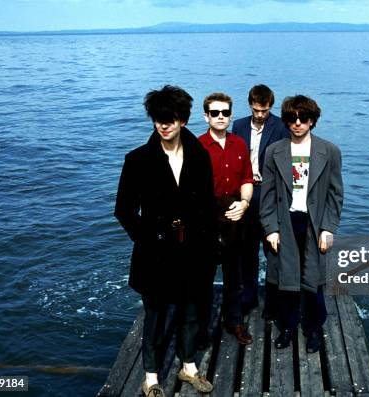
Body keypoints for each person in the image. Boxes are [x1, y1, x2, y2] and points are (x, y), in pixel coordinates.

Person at [114, 85, 215, 396]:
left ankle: (188, 367)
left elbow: (207, 204)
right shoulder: (137, 160)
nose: (164, 124)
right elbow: (124, 210)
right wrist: (149, 239)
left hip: (194, 248)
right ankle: (151, 375)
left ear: (182, 120)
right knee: (155, 316)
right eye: (159, 119)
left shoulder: (199, 153)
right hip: (155, 252)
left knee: (191, 310)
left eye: (170, 118)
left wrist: (206, 240)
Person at [260, 94, 344, 353]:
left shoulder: (329, 151)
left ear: (312, 121)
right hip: (286, 221)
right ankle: (287, 325)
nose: (297, 123)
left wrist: (328, 228)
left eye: (303, 118)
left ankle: (314, 328)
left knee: (314, 279)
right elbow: (267, 196)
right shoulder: (274, 151)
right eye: (292, 118)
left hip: (314, 222)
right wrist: (271, 229)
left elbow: (335, 194)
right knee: (286, 280)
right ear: (286, 121)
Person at [198, 92, 255, 345]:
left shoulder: (240, 144)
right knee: (203, 276)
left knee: (235, 276)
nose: (220, 117)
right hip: (206, 216)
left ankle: (234, 322)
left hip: (234, 212)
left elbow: (247, 178)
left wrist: (244, 204)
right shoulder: (196, 146)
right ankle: (200, 329)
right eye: (215, 113)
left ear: (231, 115)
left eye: (225, 113)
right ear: (206, 116)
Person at [232, 84, 290, 318]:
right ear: (250, 105)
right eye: (256, 110)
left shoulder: (281, 127)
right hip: (245, 192)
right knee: (247, 250)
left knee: (273, 249)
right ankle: (249, 296)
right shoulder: (238, 125)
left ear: (270, 107)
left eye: (264, 110)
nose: (259, 115)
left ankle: (274, 301)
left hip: (270, 193)